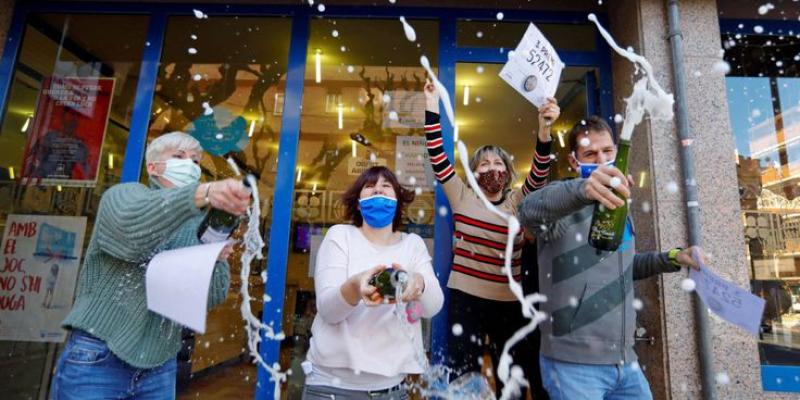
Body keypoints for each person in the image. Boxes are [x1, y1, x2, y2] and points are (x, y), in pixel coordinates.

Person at [50, 131, 251, 400]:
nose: (189, 165)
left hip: (159, 367)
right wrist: (202, 193)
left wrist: (213, 259)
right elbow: (132, 233)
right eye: (179, 157)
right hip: (98, 357)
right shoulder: (124, 196)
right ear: (152, 167)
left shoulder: (198, 225)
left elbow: (211, 295)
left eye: (195, 160)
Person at [517, 116, 705, 400]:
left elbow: (622, 266)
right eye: (590, 154)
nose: (602, 160)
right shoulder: (563, 205)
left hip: (625, 362)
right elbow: (528, 210)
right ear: (574, 160)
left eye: (608, 152)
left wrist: (675, 257)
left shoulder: (620, 205)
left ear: (617, 152)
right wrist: (583, 189)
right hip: (573, 366)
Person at [422, 78, 559, 396]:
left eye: (498, 163)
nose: (491, 168)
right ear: (473, 171)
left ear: (509, 172)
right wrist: (431, 107)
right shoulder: (461, 194)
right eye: (484, 163)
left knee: (510, 378)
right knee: (464, 378)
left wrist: (544, 130)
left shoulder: (516, 202)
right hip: (464, 301)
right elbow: (437, 156)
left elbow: (539, 171)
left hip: (508, 304)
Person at [303, 166, 444, 400]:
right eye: (369, 186)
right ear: (358, 203)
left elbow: (433, 306)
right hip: (331, 388)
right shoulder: (340, 236)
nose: (378, 188)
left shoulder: (413, 244)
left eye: (386, 186)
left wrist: (418, 283)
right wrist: (356, 286)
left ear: (398, 201)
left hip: (393, 390)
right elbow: (328, 311)